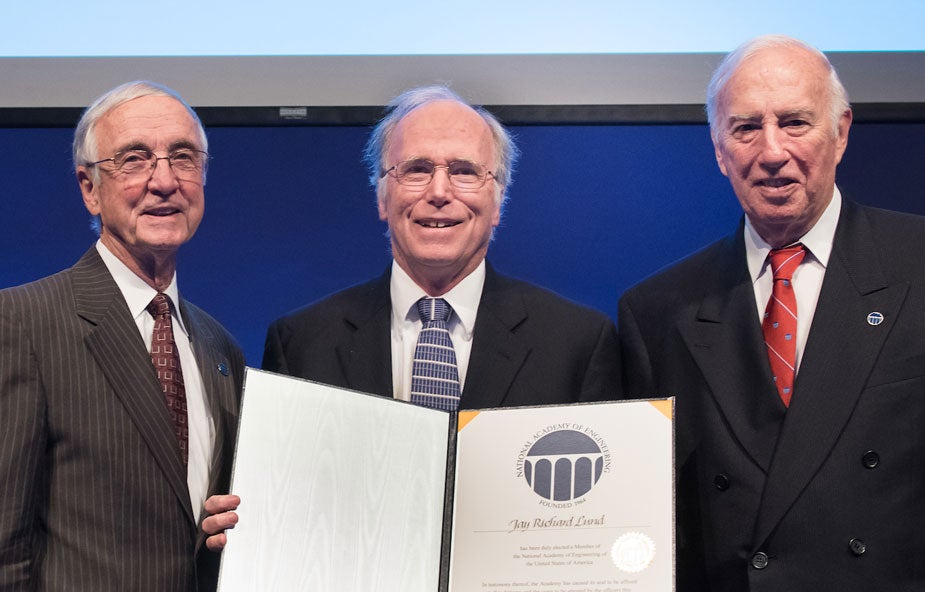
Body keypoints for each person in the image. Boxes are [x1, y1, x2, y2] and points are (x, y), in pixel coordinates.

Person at [202, 84, 621, 548]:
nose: (439, 192)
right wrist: (249, 523)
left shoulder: (578, 343)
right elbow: (285, 506)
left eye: (464, 171)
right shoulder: (301, 341)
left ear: (498, 201)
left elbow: (598, 518)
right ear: (382, 197)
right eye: (416, 170)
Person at [618, 35, 925, 590]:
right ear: (718, 150)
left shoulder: (918, 264)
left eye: (795, 122)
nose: (772, 151)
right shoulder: (658, 311)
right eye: (745, 128)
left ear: (841, 133)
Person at [0, 81, 244, 592]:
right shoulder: (21, 322)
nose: (164, 181)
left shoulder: (220, 349)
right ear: (90, 188)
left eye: (183, 158)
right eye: (134, 159)